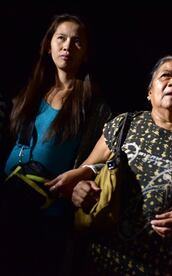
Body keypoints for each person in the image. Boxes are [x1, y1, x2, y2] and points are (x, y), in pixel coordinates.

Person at [50, 56, 172, 275]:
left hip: (163, 266)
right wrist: (80, 190)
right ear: (149, 91)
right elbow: (87, 171)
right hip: (101, 260)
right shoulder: (125, 123)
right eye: (166, 75)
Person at [0, 14, 111, 275]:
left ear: (86, 53)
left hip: (47, 217)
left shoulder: (94, 107)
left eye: (77, 42)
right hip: (10, 201)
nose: (67, 47)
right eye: (60, 38)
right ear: (48, 44)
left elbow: (103, 158)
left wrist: (82, 177)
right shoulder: (30, 90)